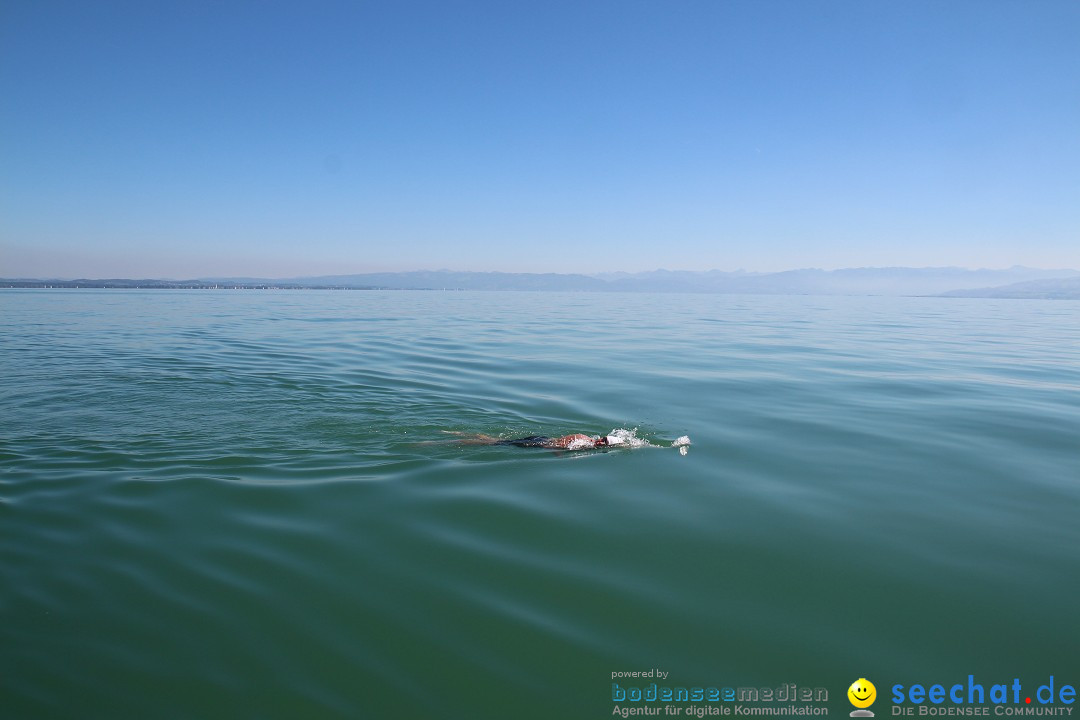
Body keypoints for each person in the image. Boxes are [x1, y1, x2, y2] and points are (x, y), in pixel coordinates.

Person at [446, 432, 624, 449]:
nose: (601, 442)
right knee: (496, 444)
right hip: (539, 443)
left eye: (605, 442)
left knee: (501, 440)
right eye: (603, 440)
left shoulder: (586, 437)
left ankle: (460, 434)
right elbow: (557, 449)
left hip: (541, 438)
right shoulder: (584, 444)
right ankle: (463, 441)